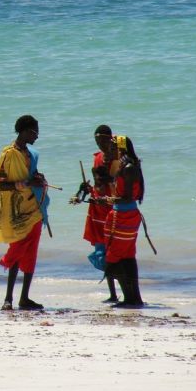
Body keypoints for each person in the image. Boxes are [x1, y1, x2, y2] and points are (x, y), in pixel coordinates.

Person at [0, 115, 49, 311]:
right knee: (16, 252)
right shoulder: (8, 154)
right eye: (34, 131)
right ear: (23, 131)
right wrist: (28, 183)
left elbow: (32, 174)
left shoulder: (30, 154)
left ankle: (24, 298)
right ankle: (8, 299)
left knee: (31, 253)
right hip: (17, 212)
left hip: (34, 210)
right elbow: (2, 184)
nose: (37, 136)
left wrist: (39, 178)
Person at [71, 125, 120, 302]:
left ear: (110, 139)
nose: (100, 144)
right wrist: (84, 190)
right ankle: (113, 293)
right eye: (97, 141)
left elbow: (120, 185)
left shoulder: (119, 158)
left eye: (103, 140)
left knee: (115, 253)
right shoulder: (97, 158)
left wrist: (109, 181)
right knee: (103, 253)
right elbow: (98, 185)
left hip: (111, 208)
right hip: (97, 209)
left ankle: (125, 291)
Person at [103, 135, 145, 308]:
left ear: (121, 148)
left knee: (114, 257)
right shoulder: (130, 165)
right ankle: (135, 298)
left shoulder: (127, 168)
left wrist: (107, 200)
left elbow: (126, 197)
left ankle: (129, 298)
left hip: (122, 217)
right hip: (129, 215)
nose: (110, 149)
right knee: (128, 257)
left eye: (113, 146)